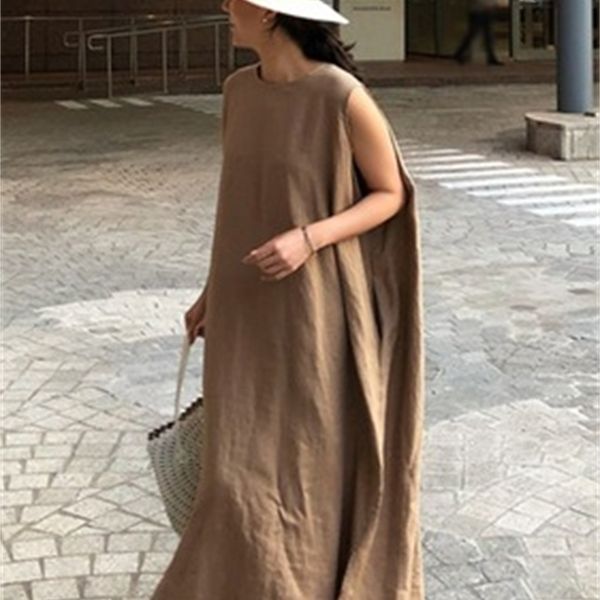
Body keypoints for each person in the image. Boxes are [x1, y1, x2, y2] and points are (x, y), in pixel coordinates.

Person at [150, 0, 425, 597]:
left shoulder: (341, 97)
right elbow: (239, 204)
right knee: (233, 467)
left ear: (272, 14)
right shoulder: (237, 92)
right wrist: (213, 291)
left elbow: (390, 193)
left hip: (315, 311)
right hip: (244, 309)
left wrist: (309, 238)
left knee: (305, 464)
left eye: (237, 0)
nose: (226, 7)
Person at [453, 0, 505, 65]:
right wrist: (488, 5)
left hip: (484, 11)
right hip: (479, 11)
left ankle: (491, 57)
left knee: (486, 35)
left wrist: (493, 4)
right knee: (474, 33)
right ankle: (459, 53)